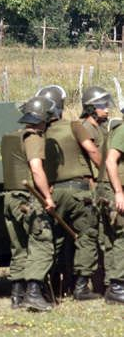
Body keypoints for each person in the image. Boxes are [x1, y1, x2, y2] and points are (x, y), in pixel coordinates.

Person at [36, 85, 101, 301]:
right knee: (86, 236)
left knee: (54, 239)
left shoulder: (40, 132)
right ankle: (81, 287)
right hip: (78, 191)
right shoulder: (74, 126)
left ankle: (51, 286)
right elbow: (92, 151)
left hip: (53, 192)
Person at [1, 95, 56, 311]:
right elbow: (36, 168)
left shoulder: (10, 137)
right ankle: (33, 293)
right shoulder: (33, 138)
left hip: (8, 197)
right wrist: (47, 197)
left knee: (19, 246)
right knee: (42, 243)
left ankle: (17, 295)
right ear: (43, 119)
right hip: (28, 198)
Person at [98, 112, 124, 304]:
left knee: (112, 237)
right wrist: (118, 192)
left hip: (106, 189)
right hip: (114, 190)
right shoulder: (123, 131)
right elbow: (110, 161)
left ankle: (112, 285)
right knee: (122, 237)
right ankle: (117, 285)